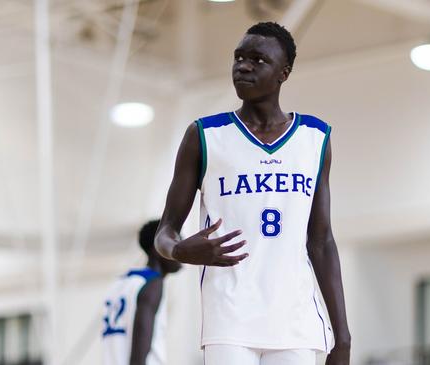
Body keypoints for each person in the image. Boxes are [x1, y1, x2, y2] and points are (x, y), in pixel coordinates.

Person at [155, 21, 351, 365]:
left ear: (283, 73)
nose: (243, 66)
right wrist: (179, 250)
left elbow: (321, 242)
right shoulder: (204, 135)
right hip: (229, 318)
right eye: (239, 57)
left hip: (295, 320)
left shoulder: (315, 138)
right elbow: (165, 232)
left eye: (258, 60)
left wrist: (343, 337)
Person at [102, 220, 182, 365]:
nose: (181, 247)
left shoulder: (118, 284)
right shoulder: (153, 284)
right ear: (158, 247)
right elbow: (141, 341)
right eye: (176, 241)